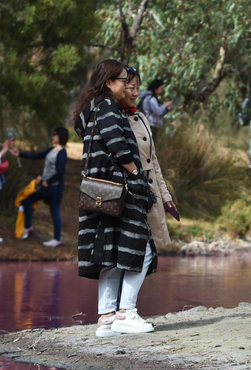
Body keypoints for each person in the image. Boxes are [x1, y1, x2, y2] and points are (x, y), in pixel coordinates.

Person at [72, 60, 156, 337]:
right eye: (123, 81)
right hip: (120, 188)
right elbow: (118, 145)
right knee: (140, 247)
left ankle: (106, 318)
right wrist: (136, 176)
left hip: (100, 192)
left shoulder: (91, 109)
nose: (127, 86)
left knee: (108, 252)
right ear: (109, 83)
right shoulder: (108, 107)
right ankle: (126, 312)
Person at [121, 66, 176, 250]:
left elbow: (154, 162)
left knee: (146, 256)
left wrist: (166, 197)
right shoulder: (110, 118)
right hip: (125, 202)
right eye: (132, 87)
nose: (136, 93)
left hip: (149, 199)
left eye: (138, 88)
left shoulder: (141, 118)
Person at [10, 128, 69, 247]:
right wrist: (20, 154)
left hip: (55, 188)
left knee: (54, 211)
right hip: (44, 185)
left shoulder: (62, 152)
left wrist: (48, 181)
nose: (53, 137)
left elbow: (61, 172)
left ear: (60, 137)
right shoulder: (52, 149)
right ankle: (28, 227)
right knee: (27, 201)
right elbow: (37, 155)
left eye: (55, 135)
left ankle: (57, 239)